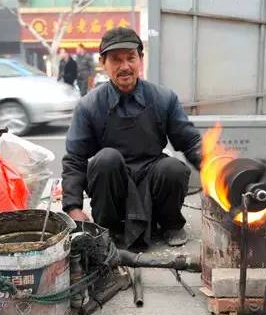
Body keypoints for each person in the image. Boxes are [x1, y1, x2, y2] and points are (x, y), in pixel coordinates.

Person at [62, 27, 202, 248]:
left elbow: (190, 142)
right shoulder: (89, 106)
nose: (125, 66)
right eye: (116, 60)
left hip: (152, 177)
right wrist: (73, 208)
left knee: (173, 168)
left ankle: (170, 224)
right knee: (105, 159)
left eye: (131, 58)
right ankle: (111, 229)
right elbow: (74, 160)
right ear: (103, 63)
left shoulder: (163, 98)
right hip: (112, 184)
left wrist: (217, 169)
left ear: (140, 60)